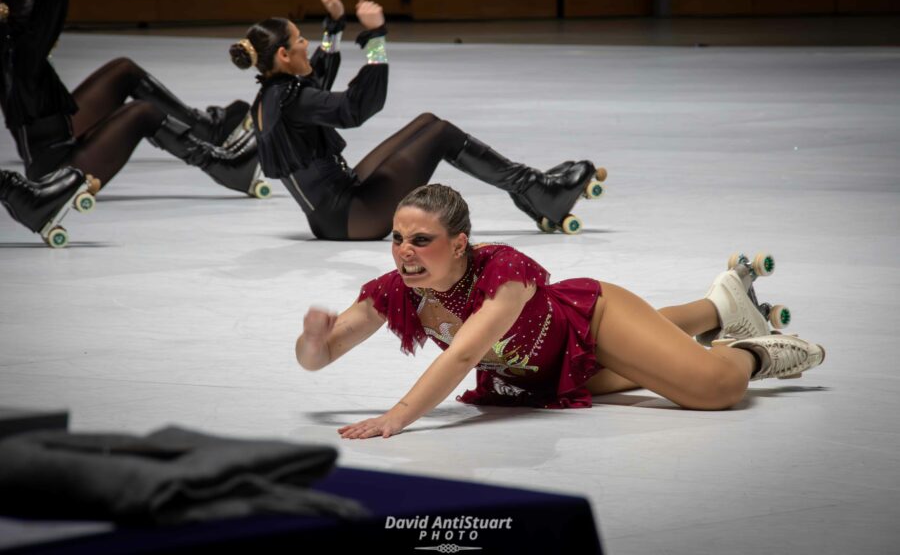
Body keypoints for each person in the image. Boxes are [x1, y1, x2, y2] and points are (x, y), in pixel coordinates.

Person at [294, 184, 826, 439]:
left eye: (421, 239)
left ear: (458, 244)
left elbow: (463, 357)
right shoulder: (395, 288)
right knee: (657, 353)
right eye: (398, 238)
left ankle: (754, 351)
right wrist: (315, 343)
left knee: (712, 390)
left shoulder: (504, 270)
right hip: (544, 375)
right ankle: (720, 304)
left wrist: (399, 416)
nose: (404, 250)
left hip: (590, 319)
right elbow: (319, 358)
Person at [230, 0, 602, 240]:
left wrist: (335, 24)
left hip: (335, 211)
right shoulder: (292, 98)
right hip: (353, 218)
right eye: (298, 40)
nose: (305, 44)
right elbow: (353, 108)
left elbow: (317, 79)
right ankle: (538, 191)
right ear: (282, 55)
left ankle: (531, 189)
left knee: (427, 122)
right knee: (439, 134)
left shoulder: (272, 95)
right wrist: (375, 38)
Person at [0, 0, 264, 200]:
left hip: (56, 141)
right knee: (143, 113)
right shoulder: (25, 54)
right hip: (57, 174)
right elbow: (51, 4)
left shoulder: (12, 40)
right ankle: (224, 168)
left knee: (122, 71)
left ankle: (208, 129)